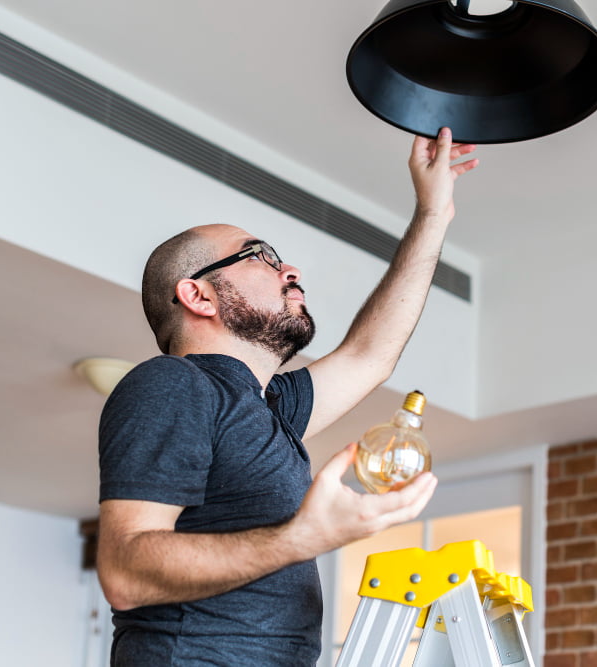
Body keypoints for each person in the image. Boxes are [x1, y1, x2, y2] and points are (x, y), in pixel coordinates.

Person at [95, 128, 479, 665]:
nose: (290, 270)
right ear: (198, 294)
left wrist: (433, 213)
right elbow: (124, 572)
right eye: (259, 256)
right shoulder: (173, 384)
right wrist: (303, 537)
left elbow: (371, 354)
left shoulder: (267, 407)